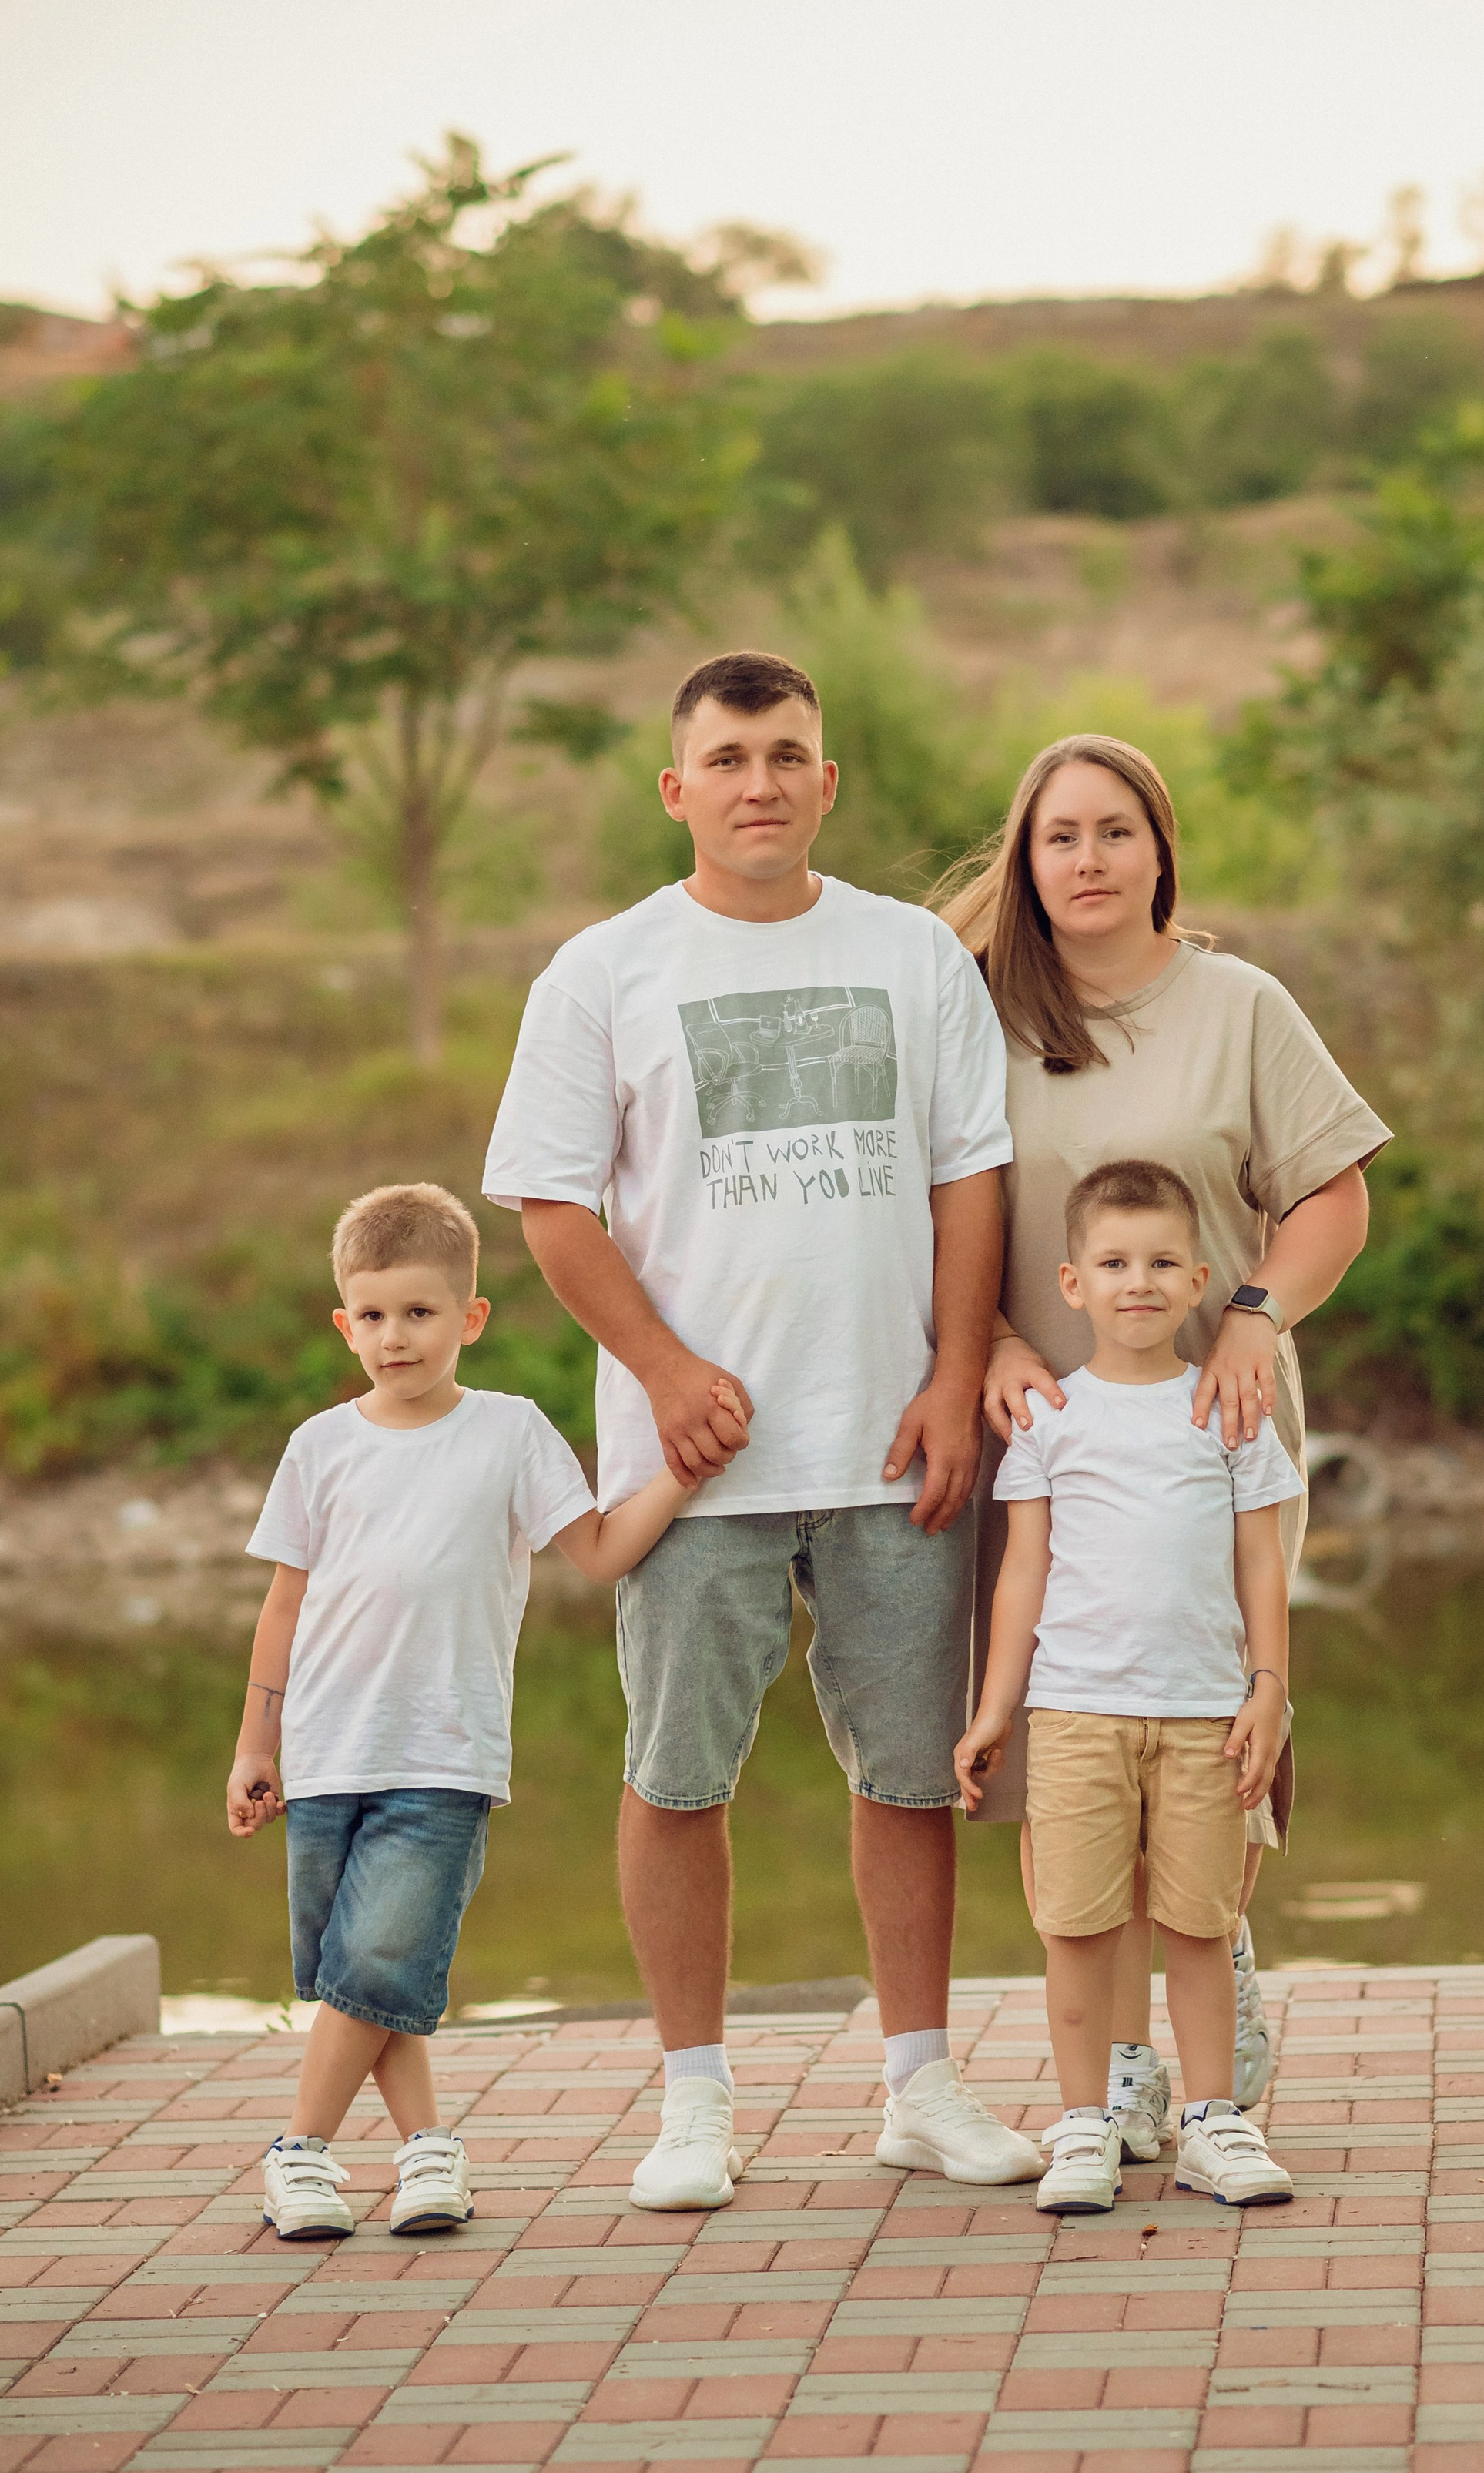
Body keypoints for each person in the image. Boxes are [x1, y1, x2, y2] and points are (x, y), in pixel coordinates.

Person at [483, 652, 1043, 2211]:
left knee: (911, 1775)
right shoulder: (602, 971)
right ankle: (692, 2105)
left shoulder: (910, 954)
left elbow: (971, 1176)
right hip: (693, 1469)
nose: (759, 783)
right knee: (677, 1777)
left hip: (890, 1443)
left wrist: (952, 1375)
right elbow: (551, 1205)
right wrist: (664, 1373)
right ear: (677, 789)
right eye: (728, 759)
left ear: (826, 781)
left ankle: (920, 2084)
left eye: (787, 755)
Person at [938, 732, 1388, 2149]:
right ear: (1026, 860)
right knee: (1071, 1736)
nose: (1089, 859)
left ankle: (1206, 1976)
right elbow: (927, 1212)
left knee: (1209, 1722)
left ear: (1160, 851)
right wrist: (990, 1340)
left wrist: (1257, 1310)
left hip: (1214, 1424)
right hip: (1045, 1439)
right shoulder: (972, 1013)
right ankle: (1125, 2060)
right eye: (1061, 835)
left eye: (1116, 831)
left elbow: (1332, 1199)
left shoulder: (1239, 1005)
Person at [227, 1181, 712, 2241]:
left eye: (419, 1312)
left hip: (443, 1754)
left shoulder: (509, 1433)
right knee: (366, 1973)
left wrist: (681, 1476)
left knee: (378, 1958)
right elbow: (285, 1602)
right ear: (343, 1323)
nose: (394, 1336)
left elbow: (597, 1552)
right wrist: (257, 1740)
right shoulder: (319, 1447)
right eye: (372, 1315)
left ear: (471, 1318)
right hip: (325, 1752)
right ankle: (426, 2150)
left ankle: (298, 2152)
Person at [957, 1158, 1301, 2213]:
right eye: (1113, 1263)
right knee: (1078, 1929)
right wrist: (993, 1710)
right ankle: (1084, 2125)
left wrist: (1269, 1687)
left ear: (1198, 1281)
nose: (1137, 1283)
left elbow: (1261, 1563)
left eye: (1160, 1263)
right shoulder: (1051, 1419)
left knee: (1199, 1926)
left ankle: (1214, 2123)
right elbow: (1023, 1573)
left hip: (1205, 1716)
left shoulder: (1228, 1411)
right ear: (1072, 1284)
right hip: (1075, 1716)